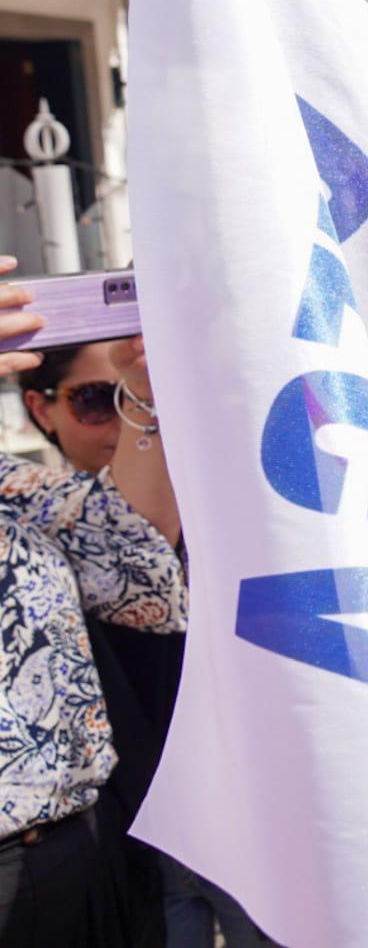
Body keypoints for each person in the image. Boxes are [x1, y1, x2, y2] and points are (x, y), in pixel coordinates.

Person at [22, 345, 267, 948]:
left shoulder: (232, 501)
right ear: (41, 408)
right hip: (120, 831)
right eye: (98, 400)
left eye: (149, 394)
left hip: (243, 813)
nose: (129, 411)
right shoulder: (27, 517)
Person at [0, 261, 187, 948]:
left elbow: (133, 559)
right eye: (91, 399)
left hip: (88, 849)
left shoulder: (18, 491)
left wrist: (144, 389)